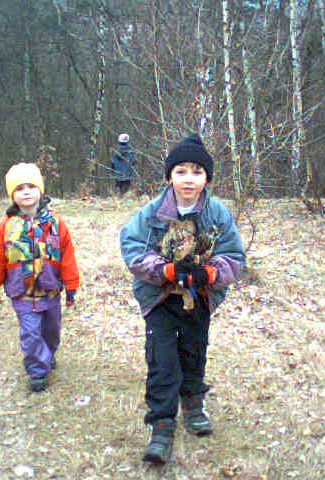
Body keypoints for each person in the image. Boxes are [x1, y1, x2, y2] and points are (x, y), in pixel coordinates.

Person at [119, 134, 245, 463]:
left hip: (198, 298)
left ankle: (193, 403)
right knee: (161, 359)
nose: (189, 179)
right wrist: (165, 269)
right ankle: (161, 424)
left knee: (194, 352)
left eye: (197, 172)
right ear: (168, 176)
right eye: (181, 171)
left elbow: (234, 256)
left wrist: (211, 274)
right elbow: (132, 249)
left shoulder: (218, 213)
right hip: (160, 298)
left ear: (207, 178)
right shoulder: (151, 214)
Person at [0, 163, 80, 392]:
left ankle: (48, 353)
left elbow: (67, 256)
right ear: (12, 195)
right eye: (19, 189)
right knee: (30, 334)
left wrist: (71, 285)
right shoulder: (6, 228)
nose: (26, 192)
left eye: (31, 186)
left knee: (51, 331)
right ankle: (37, 370)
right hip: (22, 294)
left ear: (40, 190)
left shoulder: (55, 224)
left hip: (50, 291)